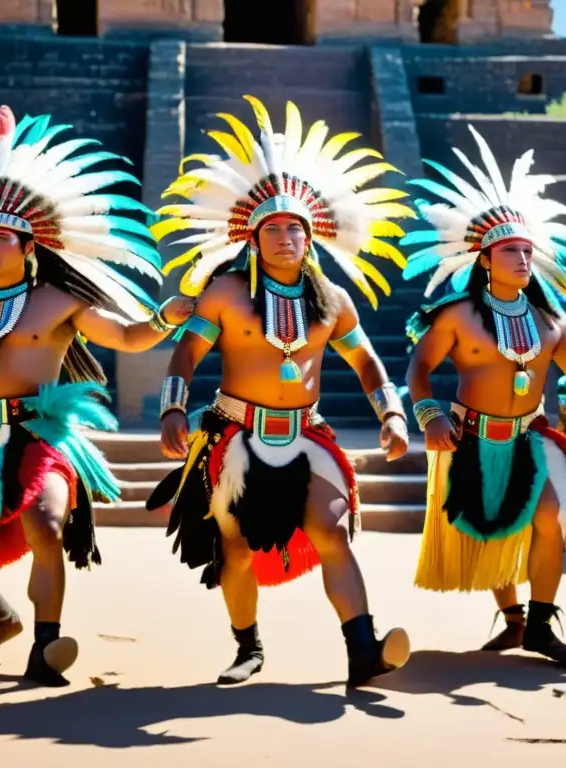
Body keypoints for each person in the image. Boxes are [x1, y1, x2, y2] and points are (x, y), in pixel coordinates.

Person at [0, 106, 194, 686]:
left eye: (2, 238)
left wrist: (165, 317)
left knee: (46, 525)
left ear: (30, 245)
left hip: (41, 432)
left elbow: (127, 337)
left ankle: (46, 645)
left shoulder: (59, 301)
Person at [145, 95, 415, 687]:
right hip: (234, 435)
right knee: (235, 550)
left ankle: (362, 651)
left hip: (306, 435)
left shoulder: (333, 300)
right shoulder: (223, 291)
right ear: (253, 238)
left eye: (296, 228)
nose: (285, 238)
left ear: (311, 235)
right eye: (273, 229)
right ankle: (248, 648)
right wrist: (172, 407)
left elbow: (367, 360)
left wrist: (391, 413)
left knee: (334, 531)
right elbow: (186, 352)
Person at [400, 129, 566, 665]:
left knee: (548, 517)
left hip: (531, 436)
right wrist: (429, 413)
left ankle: (542, 624)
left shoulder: (551, 320)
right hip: (473, 439)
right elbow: (419, 366)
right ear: (484, 259)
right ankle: (513, 619)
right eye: (511, 250)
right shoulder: (457, 316)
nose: (523, 258)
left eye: (528, 250)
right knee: (491, 530)